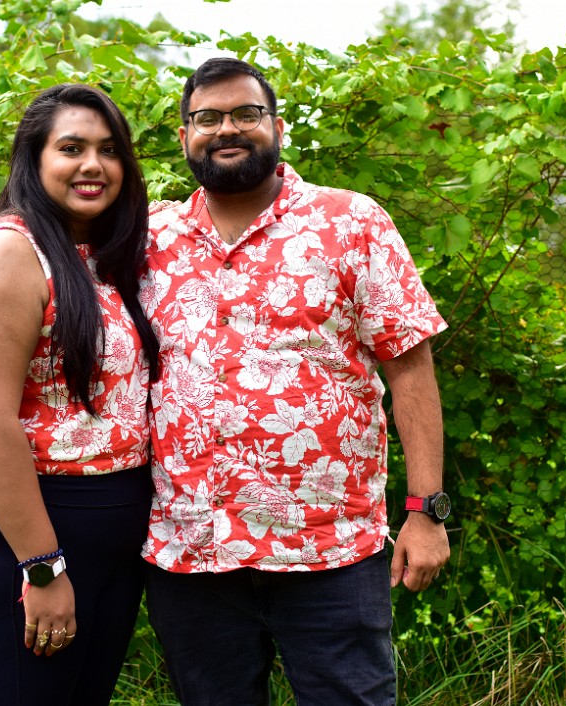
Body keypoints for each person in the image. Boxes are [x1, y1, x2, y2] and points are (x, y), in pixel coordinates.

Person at [139, 57, 452, 705]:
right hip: (192, 550)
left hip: (329, 551)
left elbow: (410, 369)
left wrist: (426, 512)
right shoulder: (149, 239)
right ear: (184, 137)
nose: (228, 128)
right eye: (207, 118)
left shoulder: (351, 223)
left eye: (246, 114)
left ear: (276, 126)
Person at [0, 83, 159, 705]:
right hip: (18, 536)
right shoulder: (10, 251)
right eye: (71, 148)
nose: (93, 165)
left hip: (101, 532)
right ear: (34, 159)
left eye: (109, 150)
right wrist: (43, 566)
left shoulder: (98, 254)